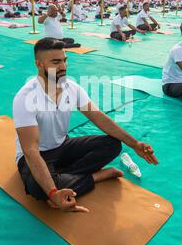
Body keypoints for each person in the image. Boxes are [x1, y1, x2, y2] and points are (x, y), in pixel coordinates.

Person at [13, 37, 158, 212]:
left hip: (62, 146)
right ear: (39, 64)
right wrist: (52, 193)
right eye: (56, 62)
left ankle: (62, 178)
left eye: (65, 60)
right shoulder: (25, 98)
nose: (63, 67)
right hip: (38, 154)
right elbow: (30, 151)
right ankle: (94, 177)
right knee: (39, 189)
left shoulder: (71, 88)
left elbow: (99, 118)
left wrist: (134, 144)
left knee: (112, 144)